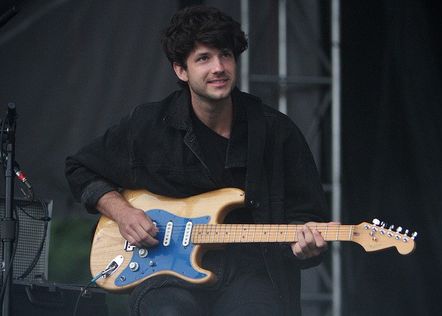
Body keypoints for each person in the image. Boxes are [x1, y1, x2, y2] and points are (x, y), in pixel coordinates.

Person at [65, 5, 329, 316]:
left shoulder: (276, 131)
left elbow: (307, 217)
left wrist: (306, 248)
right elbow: (79, 168)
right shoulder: (148, 124)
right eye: (203, 58)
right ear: (180, 69)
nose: (219, 67)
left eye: (225, 55)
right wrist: (122, 212)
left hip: (252, 272)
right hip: (165, 274)